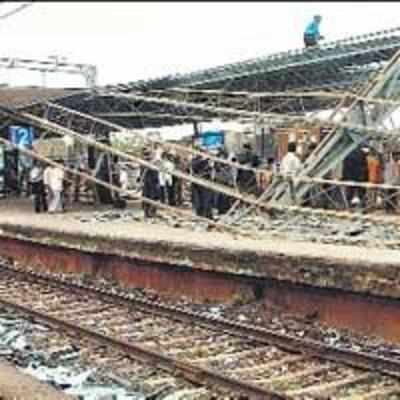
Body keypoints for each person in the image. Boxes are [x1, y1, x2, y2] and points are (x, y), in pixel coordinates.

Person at [140, 149, 160, 218]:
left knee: (147, 197)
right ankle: (150, 213)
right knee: (153, 198)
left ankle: (147, 213)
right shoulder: (151, 163)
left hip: (147, 183)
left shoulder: (143, 163)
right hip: (151, 183)